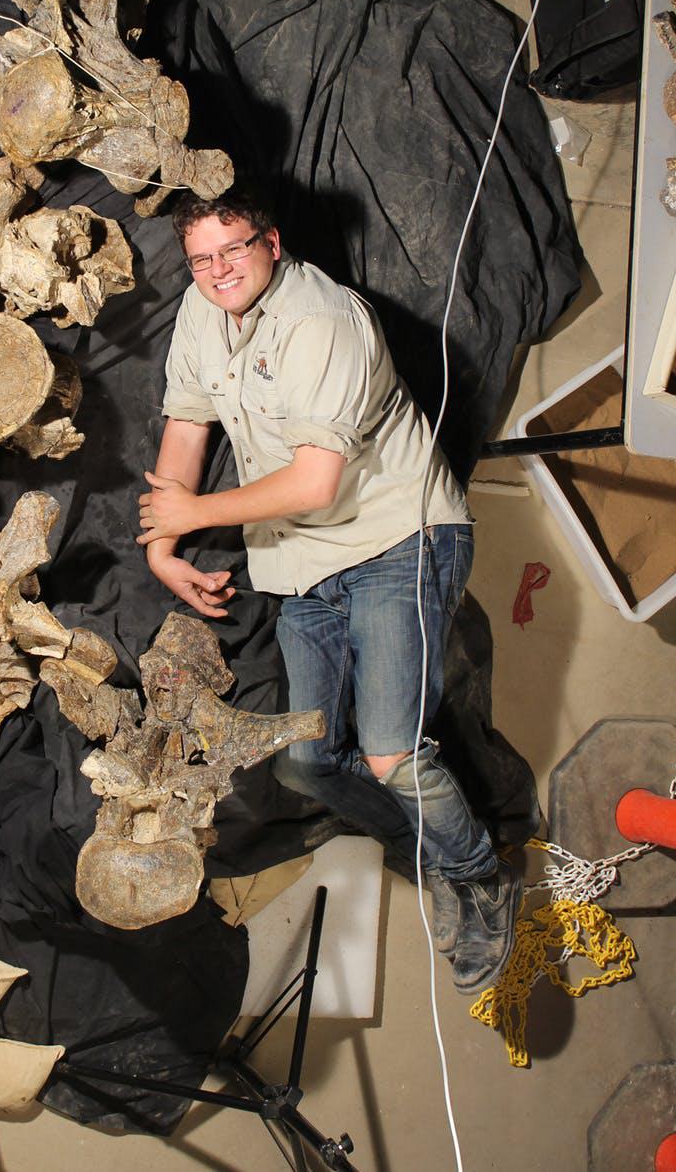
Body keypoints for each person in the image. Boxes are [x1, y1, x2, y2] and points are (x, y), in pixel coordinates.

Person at [137, 188, 522, 994]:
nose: (218, 271)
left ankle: (481, 875)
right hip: (302, 563)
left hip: (397, 539)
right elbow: (187, 425)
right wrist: (164, 547)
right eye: (201, 258)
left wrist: (192, 513)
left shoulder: (322, 321)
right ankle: (430, 850)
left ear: (271, 243)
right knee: (307, 765)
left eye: (233, 249)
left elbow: (314, 482)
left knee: (391, 754)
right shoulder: (204, 311)